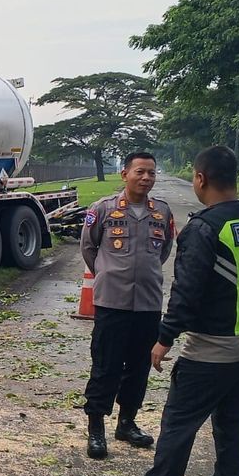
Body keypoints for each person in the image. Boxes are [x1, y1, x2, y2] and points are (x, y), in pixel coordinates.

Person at [118, 146, 239, 476]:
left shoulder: (204, 228)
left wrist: (164, 338)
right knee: (232, 428)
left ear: (200, 178)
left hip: (211, 351)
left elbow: (186, 293)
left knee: (178, 427)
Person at [79, 152, 175, 459]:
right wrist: (109, 273)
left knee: (138, 368)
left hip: (147, 303)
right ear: (125, 175)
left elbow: (164, 251)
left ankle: (127, 422)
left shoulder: (161, 211)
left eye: (151, 173)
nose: (146, 178)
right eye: (140, 172)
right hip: (112, 303)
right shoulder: (103, 208)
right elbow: (88, 246)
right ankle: (96, 429)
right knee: (106, 366)